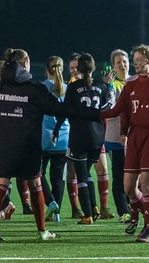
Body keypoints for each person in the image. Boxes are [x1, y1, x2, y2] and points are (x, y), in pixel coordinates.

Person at [0, 47, 98, 242]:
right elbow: (57, 109)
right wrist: (80, 107)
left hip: (2, 147)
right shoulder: (34, 89)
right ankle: (41, 231)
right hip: (28, 147)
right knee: (36, 184)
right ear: (25, 63)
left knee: (1, 185)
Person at [101, 44, 149, 243]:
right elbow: (118, 109)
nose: (136, 63)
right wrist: (92, 114)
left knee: (147, 185)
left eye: (140, 60)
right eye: (134, 59)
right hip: (133, 136)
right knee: (129, 187)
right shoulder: (131, 83)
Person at [60, 52, 114, 224]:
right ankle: (94, 207)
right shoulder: (102, 86)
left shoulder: (74, 87)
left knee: (81, 175)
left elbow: (66, 109)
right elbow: (109, 107)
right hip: (98, 137)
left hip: (79, 136)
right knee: (88, 173)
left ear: (79, 69)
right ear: (94, 67)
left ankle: (87, 215)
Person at [99, 48, 130, 221]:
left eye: (124, 61)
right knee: (119, 173)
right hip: (114, 135)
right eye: (118, 62)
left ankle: (133, 205)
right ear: (113, 66)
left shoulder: (135, 81)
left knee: (134, 173)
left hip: (133, 135)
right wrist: (108, 86)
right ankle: (123, 211)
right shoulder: (110, 85)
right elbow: (110, 109)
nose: (122, 65)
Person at [39, 55, 70, 221]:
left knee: (38, 173)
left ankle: (51, 203)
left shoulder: (42, 87)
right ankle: (56, 214)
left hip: (44, 137)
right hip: (64, 137)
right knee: (58, 177)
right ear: (62, 68)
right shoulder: (67, 88)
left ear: (46, 69)